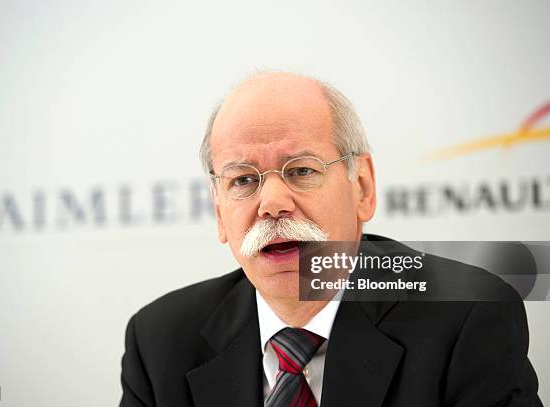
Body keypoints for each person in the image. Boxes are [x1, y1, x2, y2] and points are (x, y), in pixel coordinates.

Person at [119, 71, 542, 406]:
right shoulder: (159, 341)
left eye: (302, 170)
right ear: (219, 213)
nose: (271, 203)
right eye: (244, 179)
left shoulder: (470, 315)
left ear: (361, 187)